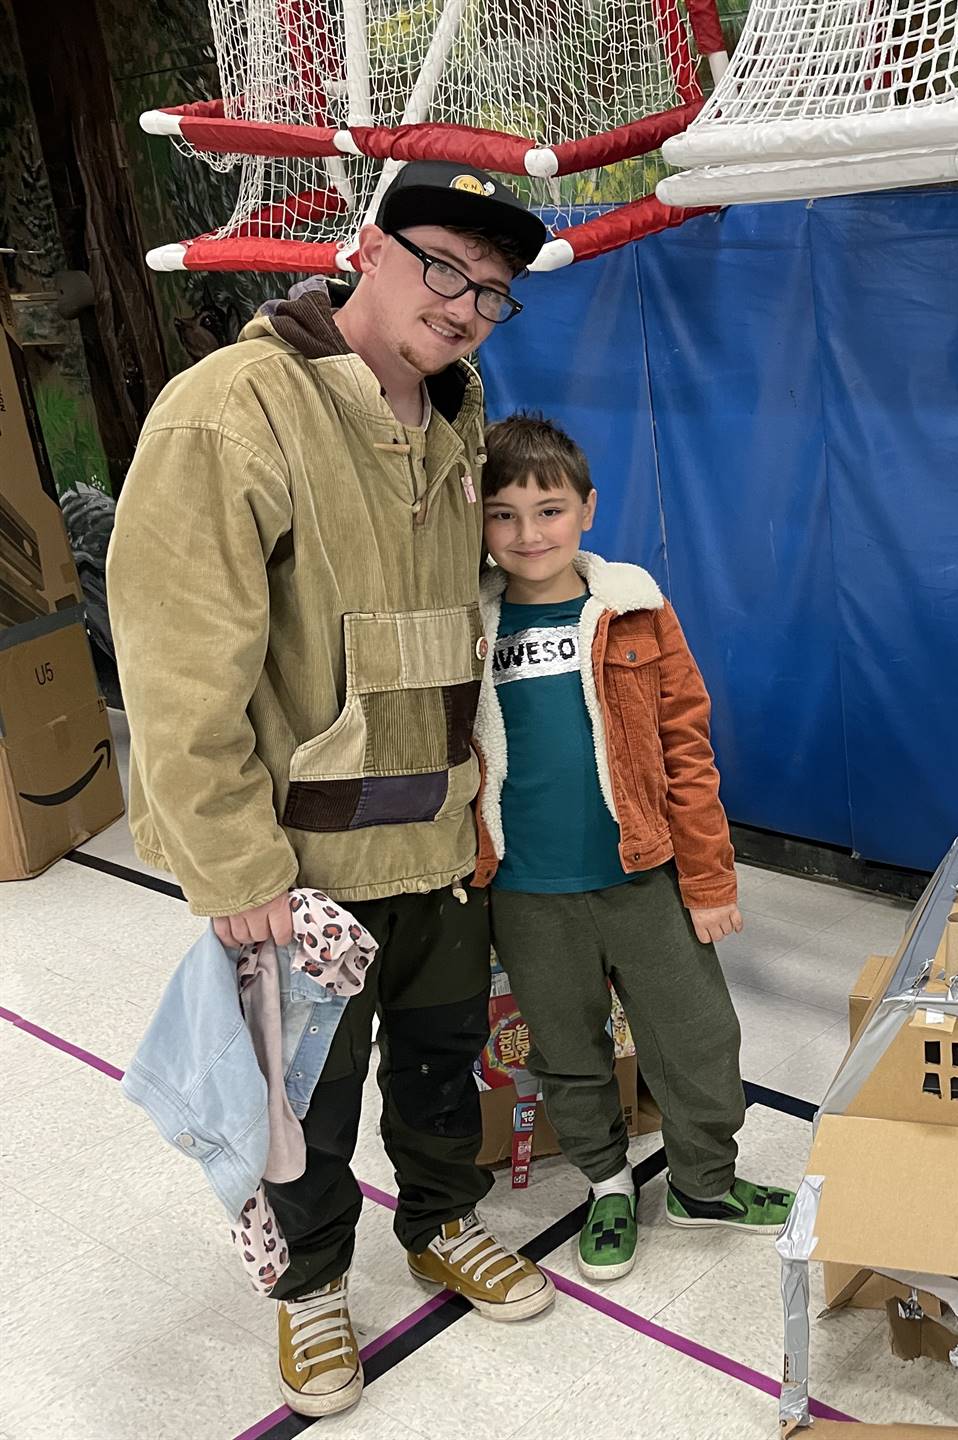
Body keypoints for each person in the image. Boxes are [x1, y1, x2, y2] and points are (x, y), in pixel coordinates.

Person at [108, 161, 556, 1418]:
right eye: (444, 267)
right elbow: (180, 666)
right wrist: (234, 867)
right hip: (303, 871)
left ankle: (442, 1219)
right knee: (299, 1094)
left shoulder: (459, 411)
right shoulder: (232, 412)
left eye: (495, 291)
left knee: (440, 1056)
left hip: (439, 834)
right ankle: (311, 1287)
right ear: (369, 245)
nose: (466, 305)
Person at [472, 413, 795, 1284]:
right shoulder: (466, 626)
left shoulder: (634, 610)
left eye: (547, 510)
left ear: (587, 509)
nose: (526, 533)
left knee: (698, 1037)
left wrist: (709, 876)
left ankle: (704, 1185)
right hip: (527, 891)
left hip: (642, 873)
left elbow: (686, 746)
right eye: (502, 514)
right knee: (568, 1051)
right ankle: (608, 1185)